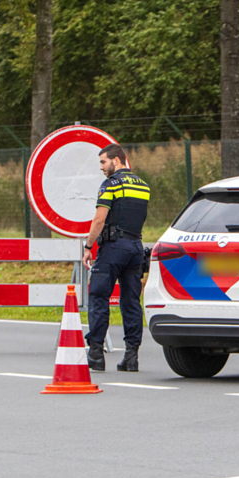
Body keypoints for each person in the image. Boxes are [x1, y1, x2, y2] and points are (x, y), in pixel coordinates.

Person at [82, 144, 150, 372]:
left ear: (118, 160)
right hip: (135, 248)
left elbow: (99, 220)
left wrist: (88, 245)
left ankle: (96, 354)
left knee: (98, 295)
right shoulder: (143, 185)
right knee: (131, 301)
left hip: (113, 248)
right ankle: (132, 356)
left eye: (103, 162)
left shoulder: (110, 184)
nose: (101, 167)